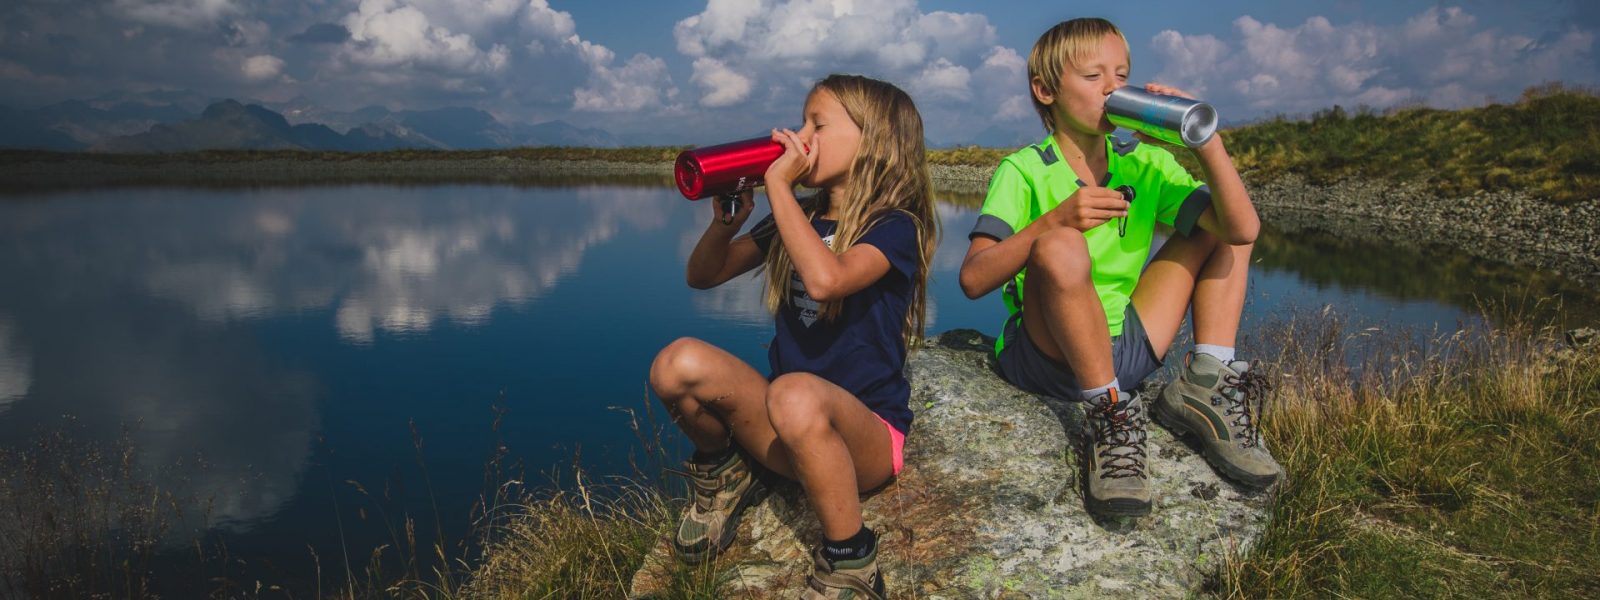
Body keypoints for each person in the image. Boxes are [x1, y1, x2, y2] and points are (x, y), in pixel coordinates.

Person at [958, 17, 1280, 518]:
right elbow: (974, 278)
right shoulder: (1022, 170)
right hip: (1049, 354)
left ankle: (1206, 381)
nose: (1113, 89)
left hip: (1128, 344)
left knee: (1220, 225)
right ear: (1045, 91)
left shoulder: (1145, 161)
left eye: (1122, 76)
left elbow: (1242, 229)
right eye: (1093, 77)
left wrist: (1205, 142)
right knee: (1061, 246)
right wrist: (1053, 221)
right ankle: (1108, 416)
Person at [649, 73, 937, 599]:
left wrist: (779, 185)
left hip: (864, 443)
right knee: (676, 363)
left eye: (817, 124)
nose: (798, 136)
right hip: (784, 433)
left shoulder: (895, 225)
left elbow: (828, 281)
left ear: (874, 140)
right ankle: (726, 470)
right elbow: (704, 275)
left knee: (795, 391)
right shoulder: (800, 214)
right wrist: (726, 224)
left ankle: (852, 560)